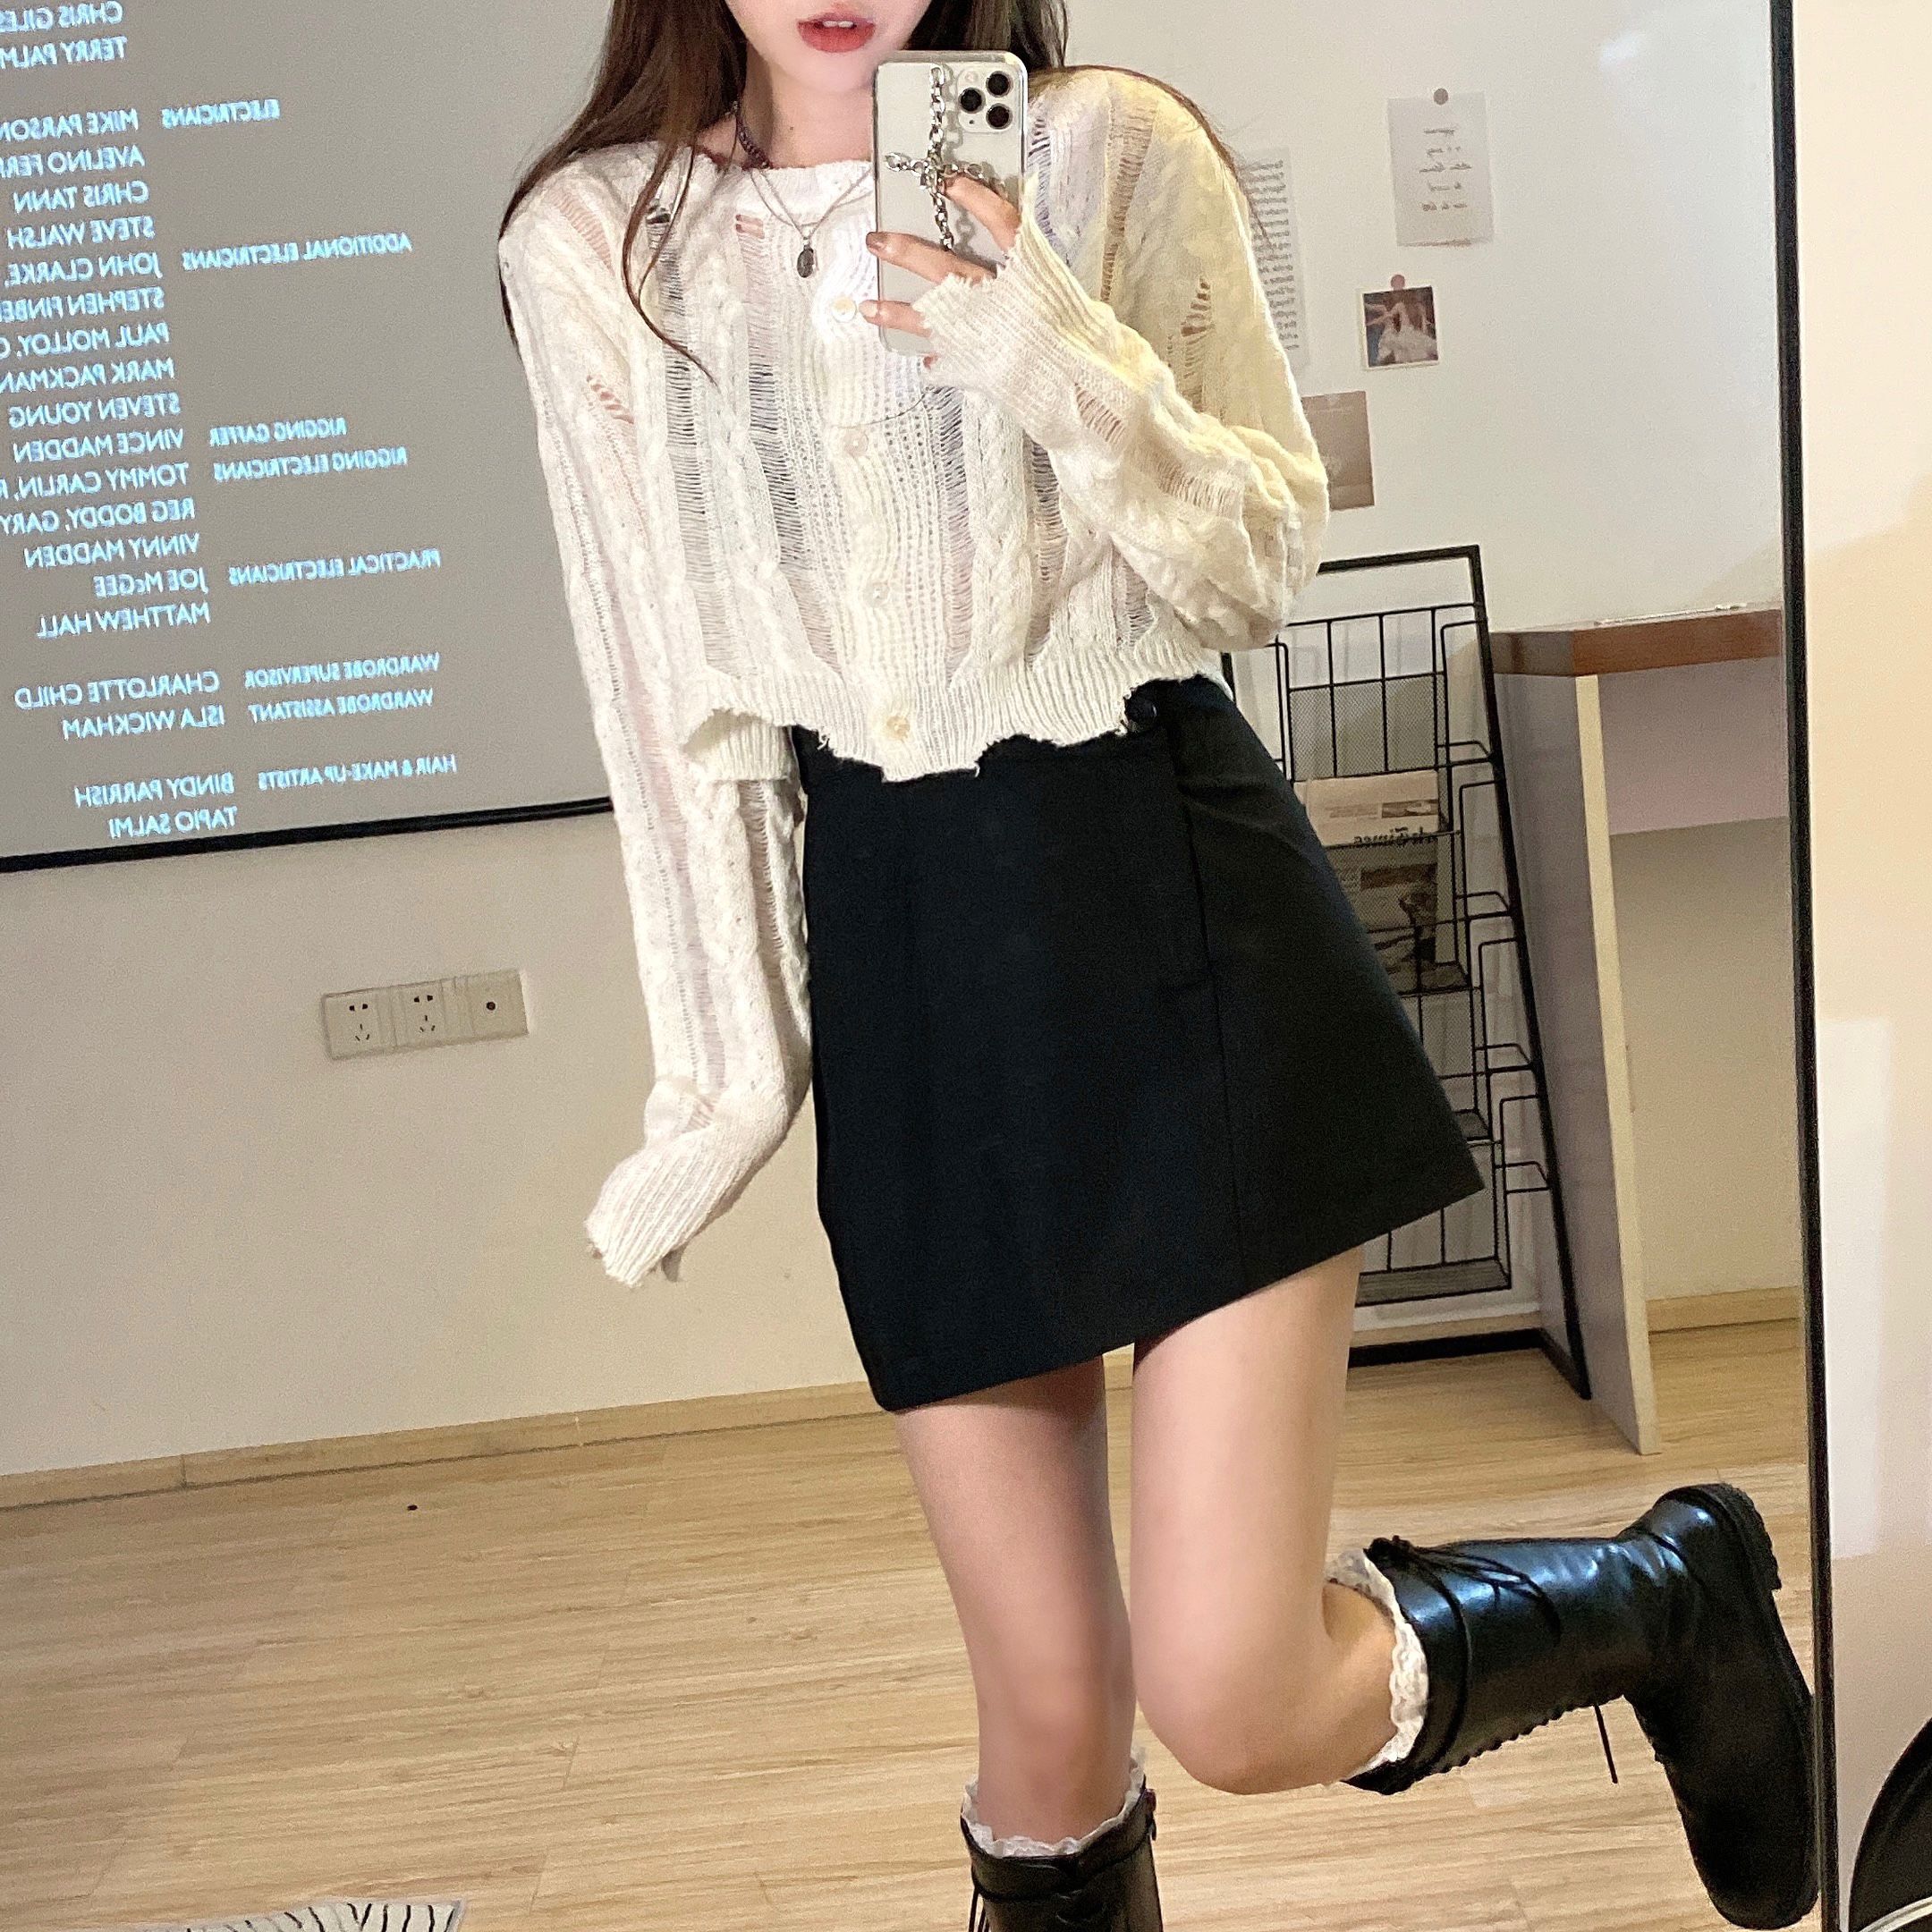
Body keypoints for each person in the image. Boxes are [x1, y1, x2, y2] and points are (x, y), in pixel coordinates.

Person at [494, 5, 1818, 1927]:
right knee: (1046, 1731)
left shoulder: (1110, 150)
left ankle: (1665, 1598)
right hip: (910, 971)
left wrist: (1036, 338)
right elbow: (662, 708)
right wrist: (724, 1076)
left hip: (1173, 903)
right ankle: (1664, 1592)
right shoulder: (598, 248)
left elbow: (1259, 564)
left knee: (1234, 1695)